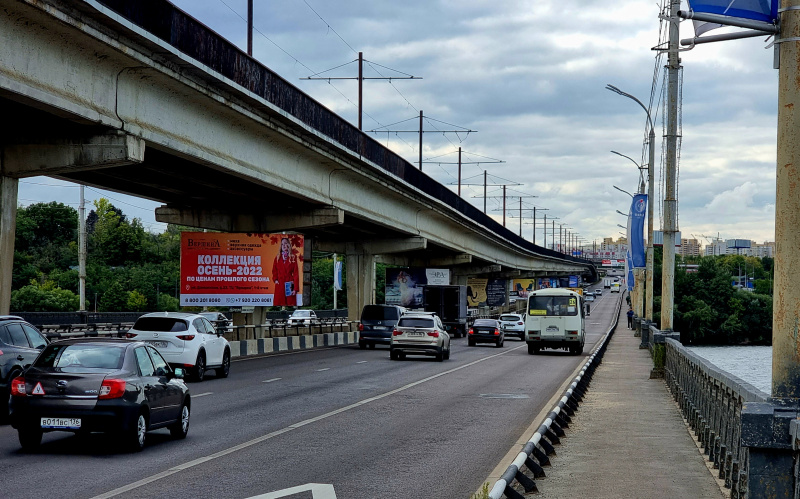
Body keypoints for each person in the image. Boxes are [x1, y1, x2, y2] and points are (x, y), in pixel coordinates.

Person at [272, 237, 299, 307]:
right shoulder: (277, 258)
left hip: (289, 283)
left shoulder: (293, 257)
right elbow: (274, 270)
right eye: (282, 244)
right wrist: (275, 280)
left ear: (289, 245)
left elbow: (296, 273)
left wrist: (295, 288)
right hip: (280, 283)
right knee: (279, 303)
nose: (284, 245)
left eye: (285, 243)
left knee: (290, 304)